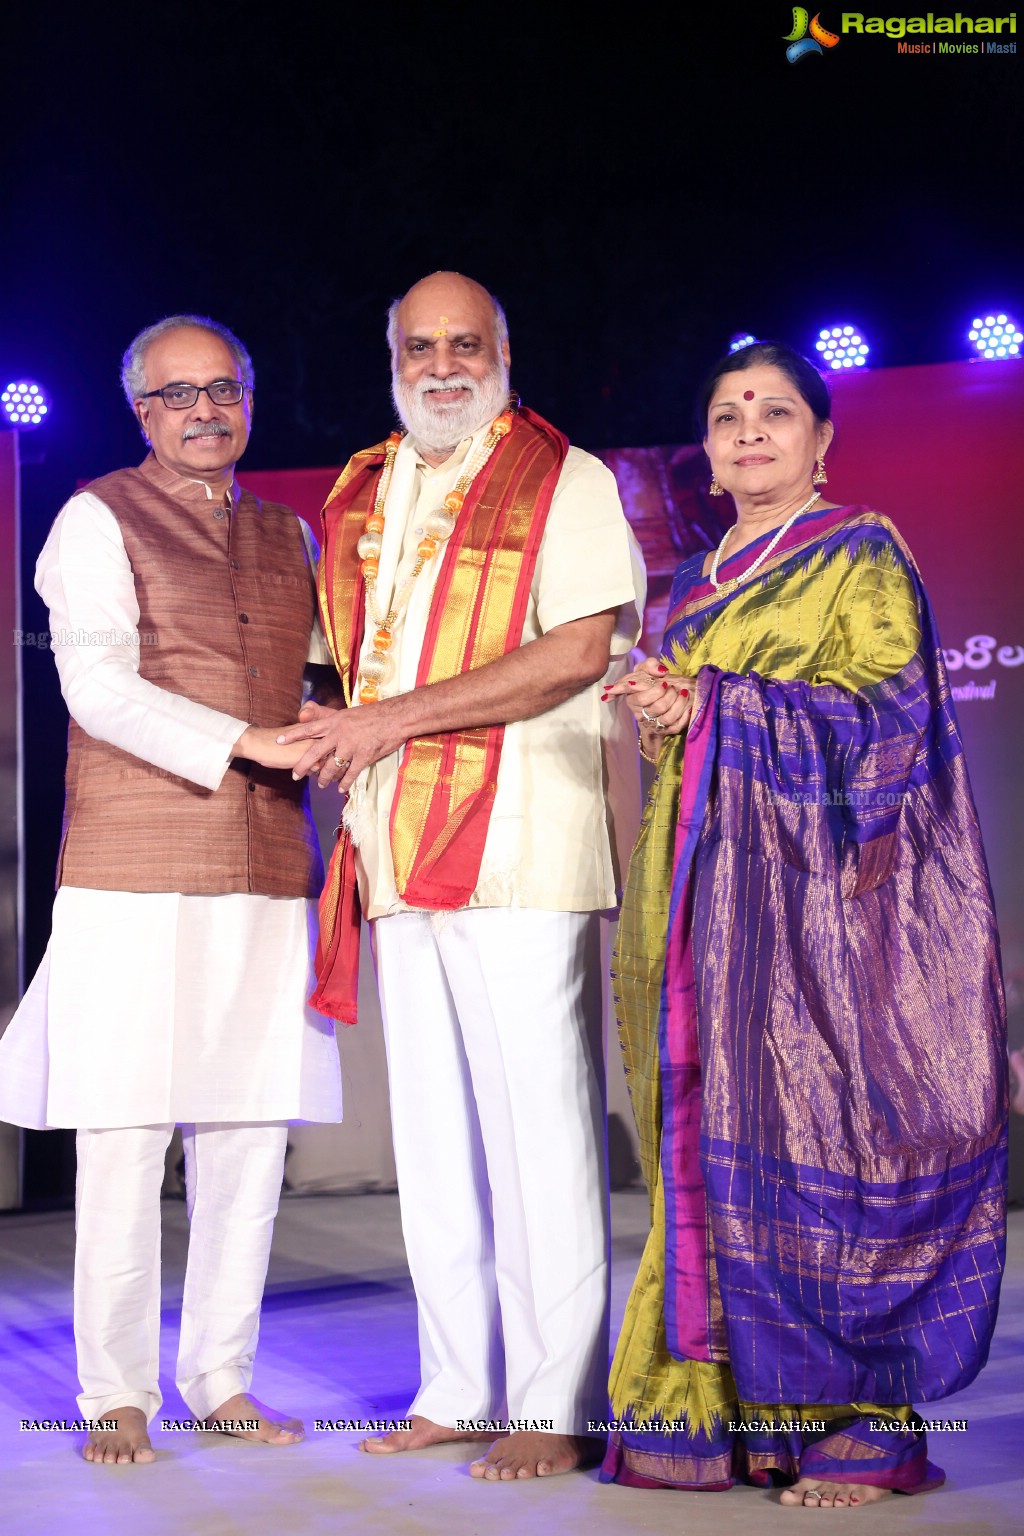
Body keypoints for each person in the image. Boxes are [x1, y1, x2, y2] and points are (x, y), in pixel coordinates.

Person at [601, 342, 1007, 1508]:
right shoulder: (691, 577)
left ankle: (851, 1432)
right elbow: (682, 745)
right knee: (692, 1147)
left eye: (776, 412)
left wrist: (717, 701)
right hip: (691, 900)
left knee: (824, 1141)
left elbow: (889, 717)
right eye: (727, 414)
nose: (749, 431)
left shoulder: (859, 552)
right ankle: (712, 1411)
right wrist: (665, 716)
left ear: (823, 439)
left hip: (815, 909)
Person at [280, 271, 646, 1480]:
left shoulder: (565, 475)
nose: (443, 364)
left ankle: (553, 1401)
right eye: (420, 345)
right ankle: (457, 1383)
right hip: (394, 845)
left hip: (522, 843)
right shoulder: (362, 487)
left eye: (466, 343)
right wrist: (311, 720)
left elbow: (576, 652)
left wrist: (385, 724)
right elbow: (340, 673)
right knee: (434, 1132)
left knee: (537, 1127)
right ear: (391, 355)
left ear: (503, 350)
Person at [0, 315, 342, 1464]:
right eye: (177, 393)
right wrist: (250, 739)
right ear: (139, 411)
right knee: (128, 1123)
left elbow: (332, 678)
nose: (205, 410)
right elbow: (94, 687)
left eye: (224, 388)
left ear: (250, 398)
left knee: (248, 1121)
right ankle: (115, 1391)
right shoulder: (95, 516)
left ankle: (221, 1378)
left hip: (264, 859)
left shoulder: (290, 534)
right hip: (134, 863)